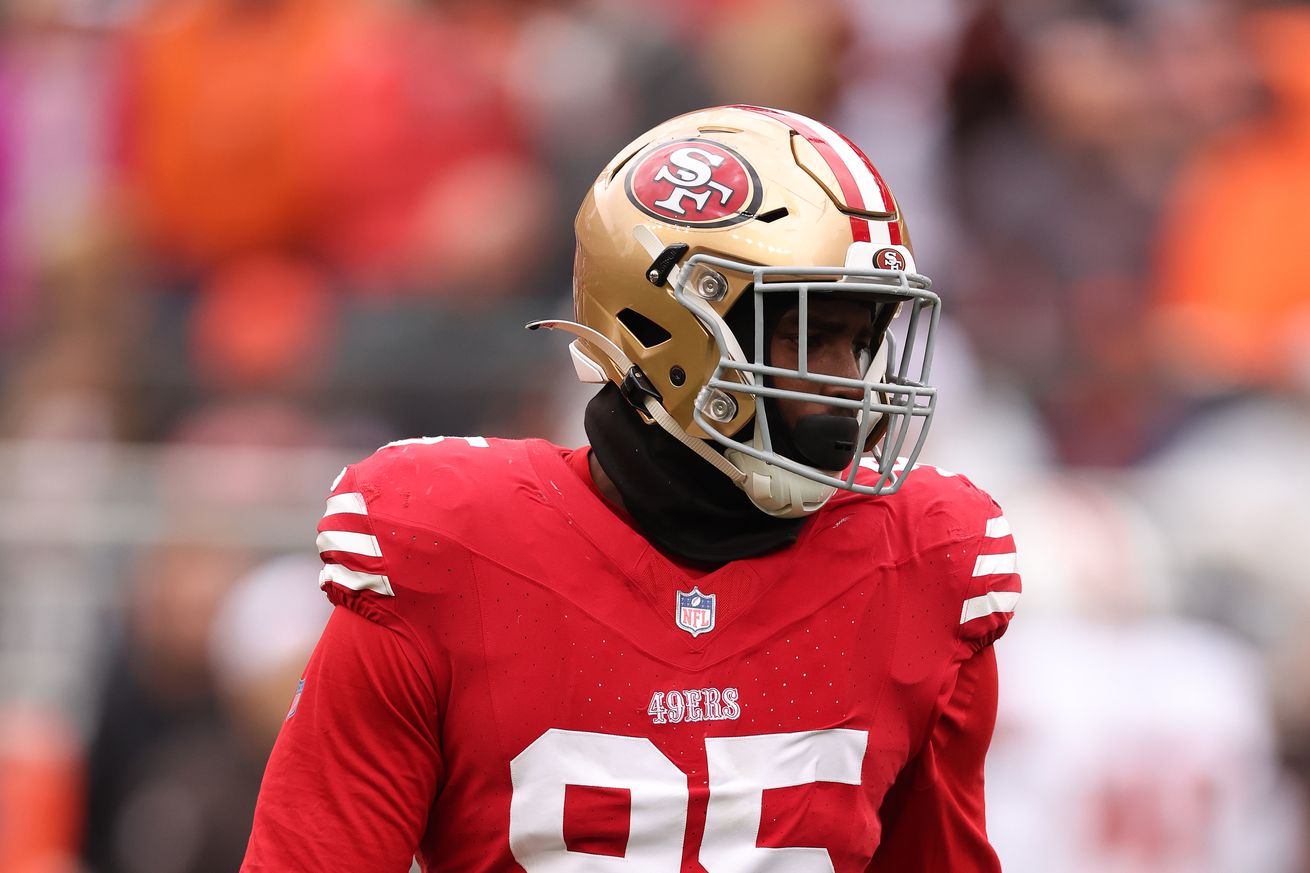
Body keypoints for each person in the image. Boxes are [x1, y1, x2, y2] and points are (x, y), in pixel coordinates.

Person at [240, 105, 1022, 872]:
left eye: (861, 340)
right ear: (666, 328)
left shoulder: (919, 564)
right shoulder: (449, 552)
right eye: (809, 336)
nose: (849, 386)